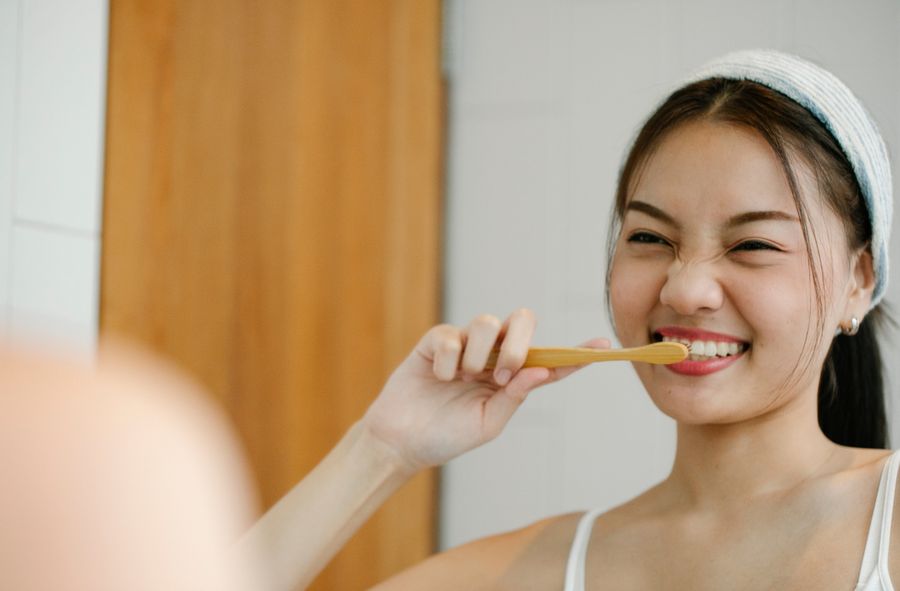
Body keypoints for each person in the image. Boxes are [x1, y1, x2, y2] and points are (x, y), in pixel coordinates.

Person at [241, 49, 896, 590]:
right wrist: (381, 450)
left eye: (753, 244)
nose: (687, 287)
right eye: (649, 237)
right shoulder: (540, 569)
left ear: (859, 281)